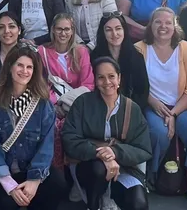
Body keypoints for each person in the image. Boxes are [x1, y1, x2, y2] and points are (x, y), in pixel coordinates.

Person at [134, 7, 187, 201]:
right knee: (159, 132)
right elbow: (137, 85)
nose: (163, 26)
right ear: (150, 25)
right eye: (158, 22)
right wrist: (153, 102)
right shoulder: (139, 49)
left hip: (183, 105)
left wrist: (173, 113)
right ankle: (153, 174)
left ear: (175, 26)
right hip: (153, 105)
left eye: (168, 22)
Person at [62, 57, 151, 210]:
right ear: (95, 80)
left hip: (123, 168)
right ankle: (93, 205)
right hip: (89, 166)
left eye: (111, 76)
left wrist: (115, 152)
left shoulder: (132, 109)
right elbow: (69, 139)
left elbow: (143, 149)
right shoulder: (82, 103)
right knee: (99, 169)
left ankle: (112, 197)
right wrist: (102, 154)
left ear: (119, 78)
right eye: (101, 77)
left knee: (139, 204)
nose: (107, 82)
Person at [0, 44, 63, 210]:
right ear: (10, 67)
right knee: (3, 203)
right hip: (3, 172)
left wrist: (34, 180)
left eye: (29, 67)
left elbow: (46, 146)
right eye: (20, 65)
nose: (24, 71)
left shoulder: (43, 103)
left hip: (31, 170)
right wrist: (10, 186)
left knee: (57, 185)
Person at [38, 13, 94, 171]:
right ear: (53, 30)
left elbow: (88, 84)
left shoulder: (81, 52)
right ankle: (56, 171)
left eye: (67, 29)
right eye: (59, 29)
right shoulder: (42, 52)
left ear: (72, 31)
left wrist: (66, 103)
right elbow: (41, 83)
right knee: (53, 126)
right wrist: (55, 105)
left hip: (76, 105)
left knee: (76, 128)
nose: (63, 33)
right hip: (52, 105)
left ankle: (76, 172)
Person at [92, 13, 149, 113]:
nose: (114, 34)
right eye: (109, 30)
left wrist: (131, 110)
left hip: (131, 109)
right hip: (101, 109)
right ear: (103, 33)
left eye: (118, 28)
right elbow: (93, 88)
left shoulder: (136, 57)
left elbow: (143, 90)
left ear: (124, 30)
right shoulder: (94, 57)